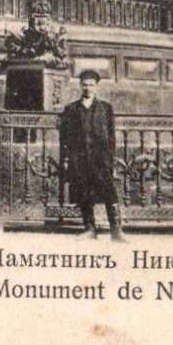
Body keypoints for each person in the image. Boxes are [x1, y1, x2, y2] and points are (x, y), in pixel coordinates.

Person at [60, 69, 125, 241]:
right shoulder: (71, 109)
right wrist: (67, 159)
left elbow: (111, 138)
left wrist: (110, 161)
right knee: (84, 193)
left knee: (109, 193)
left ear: (96, 87)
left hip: (101, 160)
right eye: (85, 85)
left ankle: (116, 231)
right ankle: (90, 229)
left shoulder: (105, 108)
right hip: (80, 159)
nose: (88, 88)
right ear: (80, 86)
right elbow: (65, 138)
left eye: (91, 85)